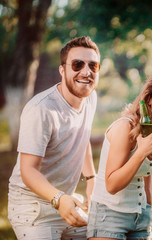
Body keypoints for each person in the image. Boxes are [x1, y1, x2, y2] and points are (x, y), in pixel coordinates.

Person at [7, 36, 100, 239]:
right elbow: (28, 170)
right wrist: (59, 198)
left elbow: (81, 135)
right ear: (62, 70)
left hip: (66, 202)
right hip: (32, 208)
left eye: (93, 65)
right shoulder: (41, 109)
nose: (86, 71)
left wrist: (92, 179)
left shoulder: (90, 97)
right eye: (77, 64)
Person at [87, 70, 152, 240]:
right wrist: (141, 152)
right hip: (110, 216)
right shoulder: (126, 127)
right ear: (149, 100)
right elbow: (111, 185)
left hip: (140, 218)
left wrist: (147, 212)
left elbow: (146, 176)